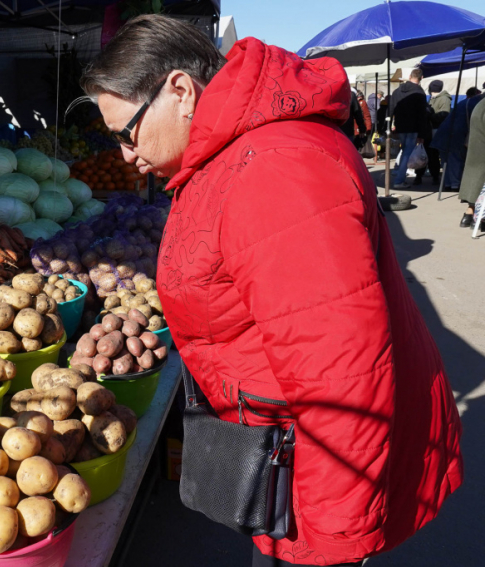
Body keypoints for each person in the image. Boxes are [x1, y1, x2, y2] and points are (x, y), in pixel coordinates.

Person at [81, 14, 462, 567]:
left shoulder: (274, 170)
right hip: (284, 455)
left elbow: (343, 376)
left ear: (181, 92)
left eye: (126, 132)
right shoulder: (234, 153)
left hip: (313, 481)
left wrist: (329, 540)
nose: (124, 154)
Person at [389, 69, 430, 188]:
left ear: (409, 76)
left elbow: (391, 109)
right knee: (407, 152)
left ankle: (398, 172)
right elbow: (422, 115)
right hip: (413, 128)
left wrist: (387, 126)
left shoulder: (397, 91)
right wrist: (422, 134)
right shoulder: (419, 92)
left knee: (405, 150)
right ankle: (399, 180)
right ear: (421, 78)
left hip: (400, 126)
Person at [414, 79, 450, 185]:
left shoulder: (444, 99)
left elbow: (444, 115)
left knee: (433, 155)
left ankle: (434, 176)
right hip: (428, 130)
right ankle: (419, 175)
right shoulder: (432, 98)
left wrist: (430, 115)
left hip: (436, 130)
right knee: (423, 153)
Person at [458, 95, 485, 227]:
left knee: (474, 181)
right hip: (482, 154)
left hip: (476, 151)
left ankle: (469, 215)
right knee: (480, 183)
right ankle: (479, 219)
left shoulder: (480, 104)